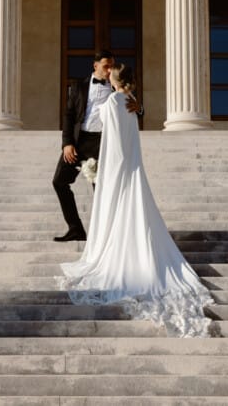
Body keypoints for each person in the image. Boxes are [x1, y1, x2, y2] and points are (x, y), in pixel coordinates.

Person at [58, 63, 213, 338]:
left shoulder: (115, 100)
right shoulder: (128, 100)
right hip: (133, 166)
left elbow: (112, 138)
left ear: (115, 78)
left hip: (118, 165)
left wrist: (104, 169)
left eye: (111, 72)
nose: (108, 73)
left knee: (116, 212)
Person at [51, 50, 140, 242]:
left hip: (102, 143)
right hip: (78, 141)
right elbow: (69, 115)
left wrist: (139, 107)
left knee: (101, 190)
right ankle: (75, 228)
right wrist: (67, 143)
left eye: (111, 66)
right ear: (96, 65)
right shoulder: (78, 86)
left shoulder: (117, 88)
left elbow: (135, 109)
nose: (109, 71)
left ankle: (106, 235)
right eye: (106, 66)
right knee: (59, 182)